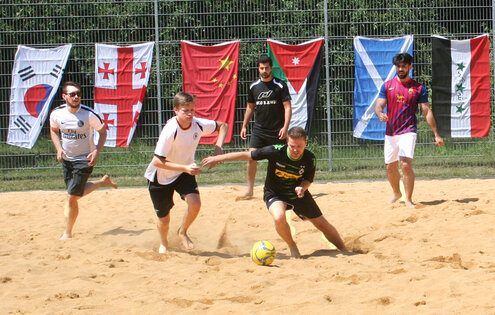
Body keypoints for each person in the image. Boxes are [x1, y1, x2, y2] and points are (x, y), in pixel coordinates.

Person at [202, 126, 347, 258]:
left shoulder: (310, 158)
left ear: (305, 143)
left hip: (296, 194)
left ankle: (345, 249)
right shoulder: (275, 151)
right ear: (287, 143)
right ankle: (293, 247)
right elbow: (247, 155)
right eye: (292, 146)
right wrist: (218, 157)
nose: (295, 150)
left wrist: (302, 187)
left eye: (299, 146)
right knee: (279, 217)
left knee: (322, 224)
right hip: (274, 193)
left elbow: (308, 179)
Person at [144, 91, 228, 254]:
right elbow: (157, 161)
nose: (190, 114)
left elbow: (223, 125)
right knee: (164, 219)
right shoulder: (170, 130)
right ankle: (164, 243)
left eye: (192, 110)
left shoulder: (197, 124)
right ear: (176, 110)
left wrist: (218, 148)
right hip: (161, 176)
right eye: (185, 110)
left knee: (195, 203)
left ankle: (182, 231)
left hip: (184, 172)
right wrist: (185, 168)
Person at [49, 81, 117, 240]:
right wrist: (59, 149)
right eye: (72, 94)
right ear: (64, 96)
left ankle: (67, 233)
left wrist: (96, 151)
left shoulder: (89, 114)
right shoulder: (57, 114)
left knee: (72, 196)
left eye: (78, 94)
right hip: (67, 159)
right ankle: (102, 183)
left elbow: (103, 132)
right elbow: (53, 130)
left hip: (84, 158)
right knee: (74, 194)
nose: (76, 97)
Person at [375, 53, 444, 208]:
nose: (401, 68)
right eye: (398, 66)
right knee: (390, 167)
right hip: (391, 131)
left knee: (405, 164)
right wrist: (380, 113)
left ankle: (408, 199)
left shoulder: (418, 88)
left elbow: (427, 111)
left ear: (410, 67)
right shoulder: (388, 85)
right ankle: (396, 193)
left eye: (404, 66)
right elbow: (379, 105)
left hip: (408, 129)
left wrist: (436, 134)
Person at [240, 55, 292, 199]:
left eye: (266, 68)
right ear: (258, 68)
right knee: (251, 157)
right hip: (259, 130)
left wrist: (285, 127)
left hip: (277, 130)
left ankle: (284, 189)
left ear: (271, 68)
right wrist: (244, 126)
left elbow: (287, 107)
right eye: (261, 68)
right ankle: (249, 190)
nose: (264, 70)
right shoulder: (253, 86)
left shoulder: (280, 85)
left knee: (281, 161)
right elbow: (250, 107)